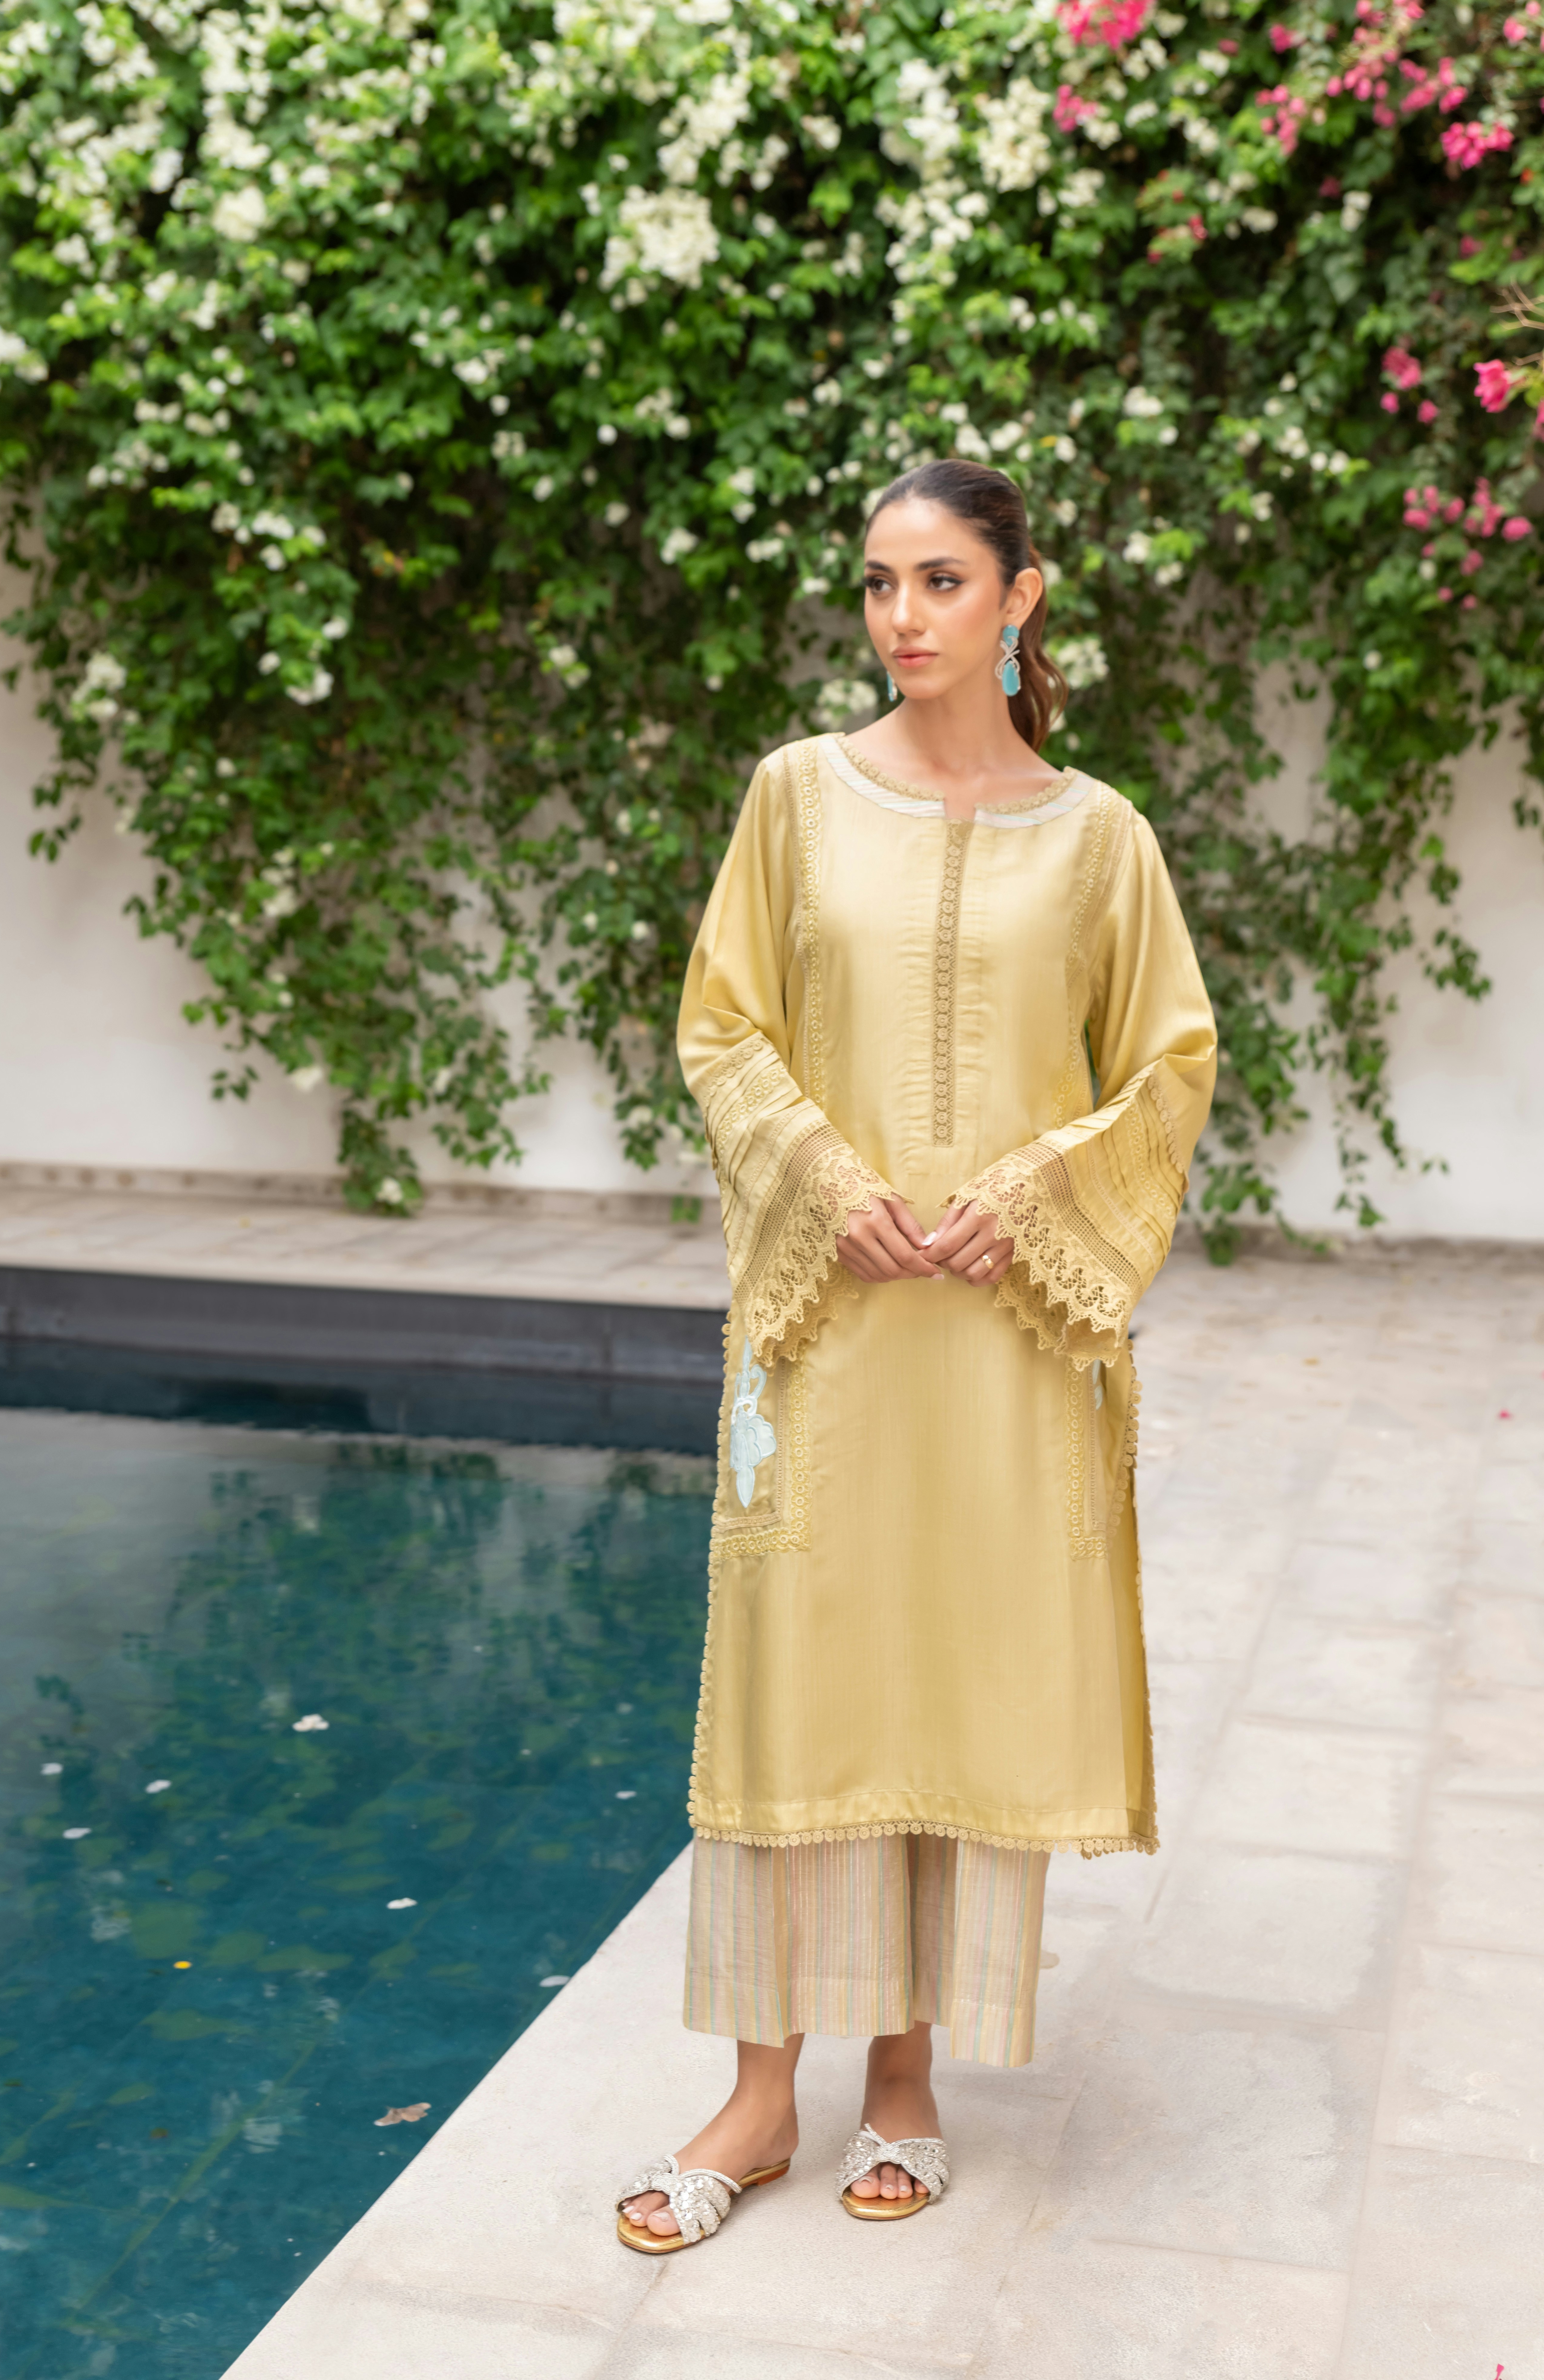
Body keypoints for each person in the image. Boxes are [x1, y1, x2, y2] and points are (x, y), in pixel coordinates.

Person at [616, 457, 1217, 2252]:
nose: (904, 616)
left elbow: (1167, 1065)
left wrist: (1034, 1196)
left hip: (1006, 1348)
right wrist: (826, 1178)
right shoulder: (796, 800)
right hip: (832, 1325)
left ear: (1023, 596)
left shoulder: (1099, 839)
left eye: (944, 580)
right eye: (881, 582)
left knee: (952, 1680)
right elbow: (724, 1028)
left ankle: (902, 2080)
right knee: (797, 1677)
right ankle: (754, 2090)